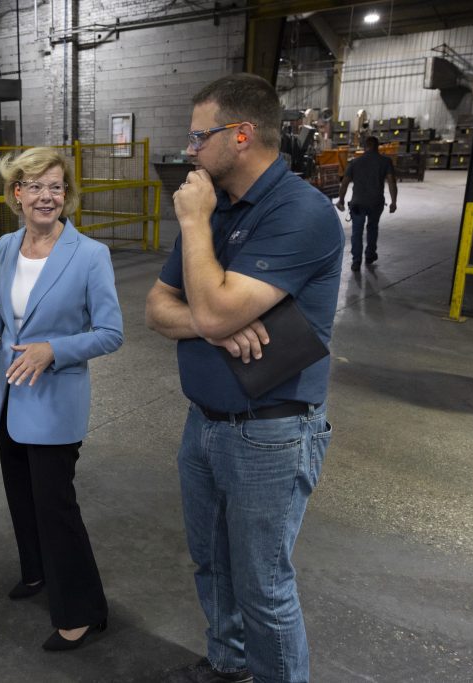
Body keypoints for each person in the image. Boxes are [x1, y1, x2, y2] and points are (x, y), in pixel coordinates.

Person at [145, 73, 343, 683]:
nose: (189, 150)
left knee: (262, 585)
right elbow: (158, 307)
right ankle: (231, 667)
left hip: (270, 432)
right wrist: (215, 323)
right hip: (204, 422)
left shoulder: (301, 212)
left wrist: (197, 229)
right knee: (212, 564)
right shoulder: (218, 206)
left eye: (199, 136)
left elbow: (205, 308)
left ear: (241, 134)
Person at [0, 147, 122, 652]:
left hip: (54, 403)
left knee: (56, 508)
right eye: (34, 185)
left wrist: (55, 349)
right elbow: (4, 309)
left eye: (55, 186)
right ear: (17, 194)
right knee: (20, 496)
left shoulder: (89, 255)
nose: (46, 196)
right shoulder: (8, 246)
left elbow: (110, 332)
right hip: (10, 399)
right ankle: (36, 572)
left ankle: (83, 611)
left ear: (67, 195)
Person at [336, 135, 398, 271]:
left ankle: (356, 261)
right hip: (376, 202)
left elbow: (344, 183)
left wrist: (341, 200)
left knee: (357, 232)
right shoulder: (385, 161)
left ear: (365, 147)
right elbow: (392, 182)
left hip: (358, 203)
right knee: (372, 228)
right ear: (377, 146)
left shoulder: (355, 162)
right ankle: (370, 255)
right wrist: (393, 202)